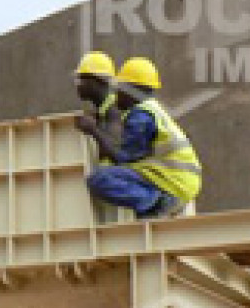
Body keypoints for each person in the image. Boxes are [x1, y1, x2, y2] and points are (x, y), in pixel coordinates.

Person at [76, 57, 203, 219]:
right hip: (177, 181)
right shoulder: (151, 110)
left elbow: (123, 157)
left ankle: (156, 202)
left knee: (99, 179)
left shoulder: (141, 117)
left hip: (174, 182)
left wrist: (93, 130)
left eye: (120, 88)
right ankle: (154, 204)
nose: (115, 94)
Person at [74, 51, 121, 165]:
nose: (78, 85)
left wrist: (93, 130)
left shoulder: (114, 109)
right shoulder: (103, 109)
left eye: (82, 79)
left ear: (98, 80)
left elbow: (118, 154)